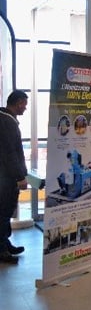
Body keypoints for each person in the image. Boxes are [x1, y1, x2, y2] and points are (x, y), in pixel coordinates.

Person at [0, 90, 28, 264]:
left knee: (4, 213)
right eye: (24, 104)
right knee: (3, 213)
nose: (25, 108)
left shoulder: (4, 119)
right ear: (18, 103)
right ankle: (2, 250)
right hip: (6, 179)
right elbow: (10, 153)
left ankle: (4, 243)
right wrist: (20, 177)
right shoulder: (7, 122)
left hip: (5, 176)